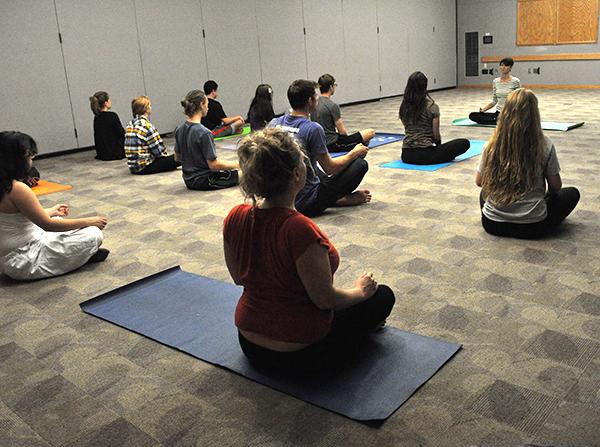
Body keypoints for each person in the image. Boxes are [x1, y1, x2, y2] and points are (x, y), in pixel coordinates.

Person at [223, 128, 395, 373]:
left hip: (249, 342)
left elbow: (239, 278)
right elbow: (325, 300)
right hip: (301, 353)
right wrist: (360, 291)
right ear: (296, 174)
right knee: (382, 296)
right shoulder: (298, 229)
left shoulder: (235, 216)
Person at [0, 131, 108, 281]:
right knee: (93, 234)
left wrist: (50, 211)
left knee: (58, 218)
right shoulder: (17, 189)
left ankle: (78, 256)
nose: (31, 162)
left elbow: (17, 217)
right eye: (30, 158)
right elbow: (48, 225)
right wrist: (90, 221)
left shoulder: (4, 186)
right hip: (24, 259)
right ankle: (79, 257)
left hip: (8, 257)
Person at [476, 88, 579, 239]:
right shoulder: (544, 145)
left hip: (492, 223)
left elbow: (480, 182)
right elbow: (555, 187)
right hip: (533, 227)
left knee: (484, 194)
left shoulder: (491, 145)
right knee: (572, 193)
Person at [267, 79, 371, 217]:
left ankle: (334, 198)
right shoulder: (313, 129)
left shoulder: (274, 123)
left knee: (314, 168)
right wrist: (354, 153)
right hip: (307, 203)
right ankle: (337, 200)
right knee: (360, 164)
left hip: (280, 198)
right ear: (310, 101)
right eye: (316, 96)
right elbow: (330, 168)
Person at [399, 72, 469, 165]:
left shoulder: (404, 107)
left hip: (406, 155)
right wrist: (439, 149)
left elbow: (407, 127)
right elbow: (436, 135)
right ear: (425, 86)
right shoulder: (432, 107)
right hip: (425, 154)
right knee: (464, 143)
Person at [174, 90, 239, 190]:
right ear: (201, 105)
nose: (208, 108)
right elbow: (214, 165)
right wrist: (237, 164)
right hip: (204, 180)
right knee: (247, 173)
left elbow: (177, 158)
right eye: (207, 105)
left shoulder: (179, 129)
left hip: (188, 179)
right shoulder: (204, 133)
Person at [311, 73, 375, 151]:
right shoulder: (333, 105)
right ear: (331, 87)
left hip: (319, 142)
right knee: (370, 132)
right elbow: (342, 132)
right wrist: (349, 141)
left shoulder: (314, 103)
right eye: (335, 85)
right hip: (332, 144)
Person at [124, 96, 179, 175]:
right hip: (144, 166)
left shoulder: (130, 125)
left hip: (133, 166)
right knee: (179, 157)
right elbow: (159, 151)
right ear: (146, 108)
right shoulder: (147, 126)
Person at [469, 57, 521, 125]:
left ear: (510, 68)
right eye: (501, 65)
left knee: (506, 118)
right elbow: (494, 101)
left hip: (509, 113)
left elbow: (519, 100)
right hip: (498, 113)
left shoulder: (515, 81)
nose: (503, 67)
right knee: (472, 115)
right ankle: (499, 121)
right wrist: (484, 109)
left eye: (506, 65)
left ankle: (502, 121)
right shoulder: (495, 81)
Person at [89, 91, 125, 160]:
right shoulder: (112, 115)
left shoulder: (96, 118)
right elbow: (121, 133)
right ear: (106, 103)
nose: (110, 101)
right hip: (115, 152)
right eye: (109, 100)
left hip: (102, 153)